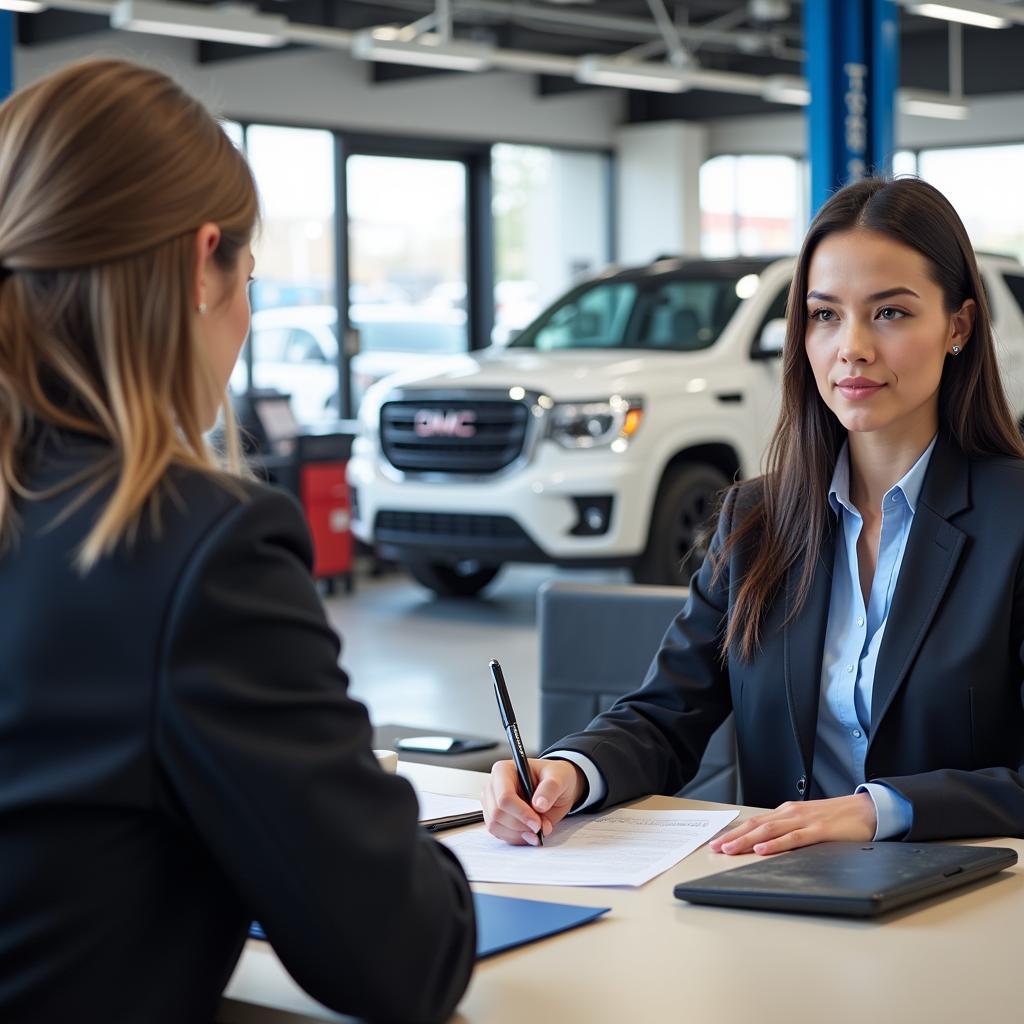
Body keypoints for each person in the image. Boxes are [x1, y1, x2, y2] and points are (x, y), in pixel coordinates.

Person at [0, 59, 474, 1024]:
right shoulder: (192, 549)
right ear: (200, 263)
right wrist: (361, 801)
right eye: (249, 278)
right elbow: (403, 959)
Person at [483, 175, 1024, 856]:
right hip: (784, 896)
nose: (851, 346)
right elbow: (665, 714)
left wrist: (878, 811)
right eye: (825, 315)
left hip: (971, 909)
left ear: (959, 326)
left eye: (889, 313)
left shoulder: (1014, 521)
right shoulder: (758, 520)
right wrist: (567, 771)